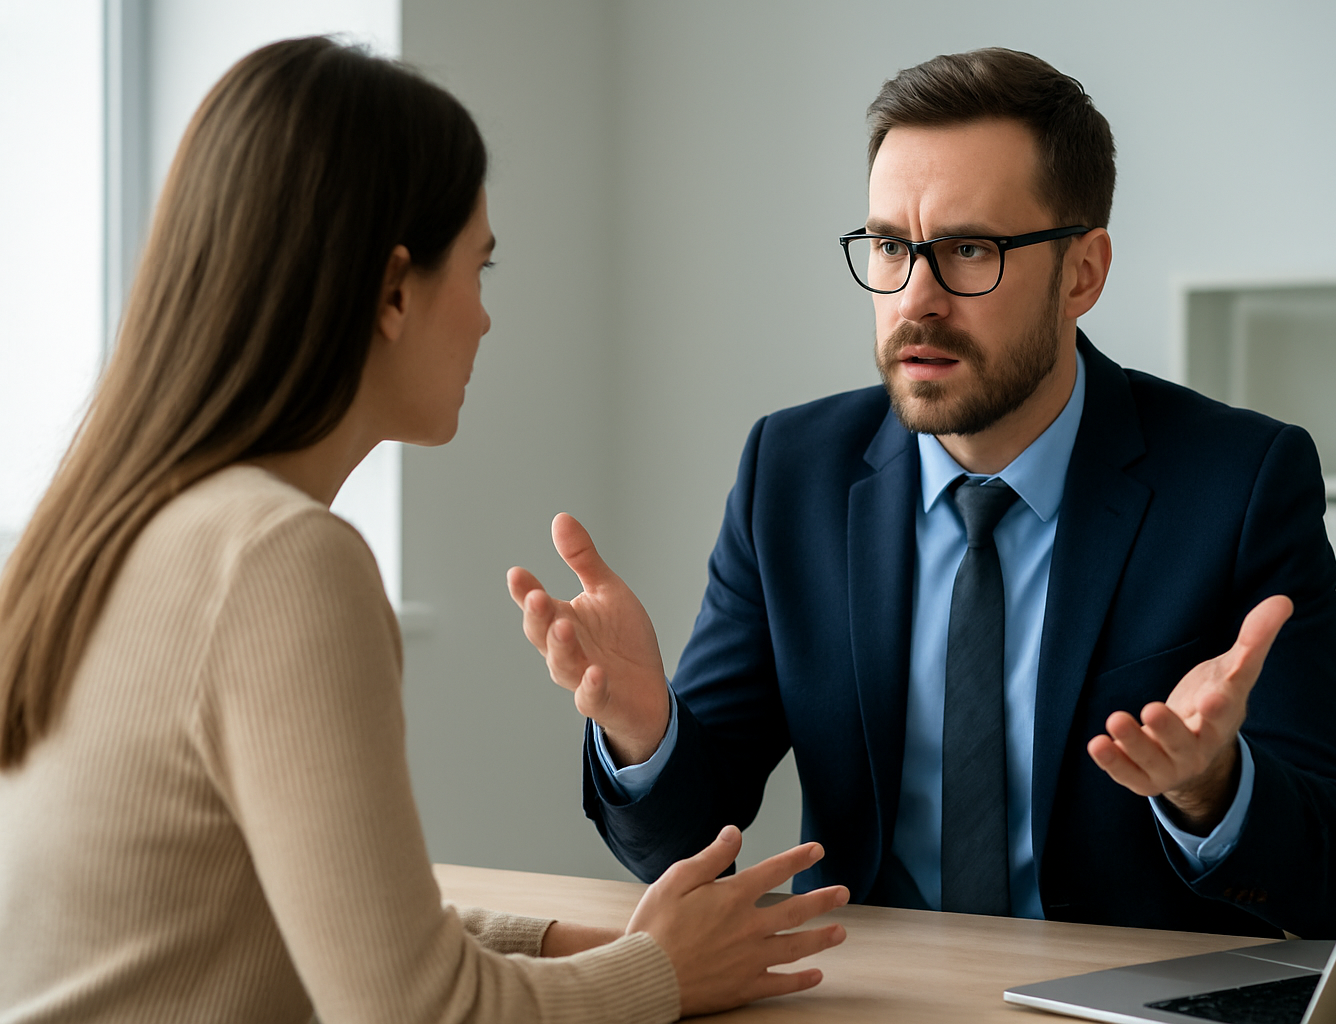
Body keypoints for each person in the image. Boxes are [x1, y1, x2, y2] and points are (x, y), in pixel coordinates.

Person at [0, 37, 848, 1024]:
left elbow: (334, 926)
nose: (485, 320)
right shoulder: (280, 559)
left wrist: (597, 948)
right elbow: (419, 1011)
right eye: (479, 268)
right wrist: (660, 973)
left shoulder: (109, 529)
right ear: (395, 292)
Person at [510, 48, 1336, 940]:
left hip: (1122, 995)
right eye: (891, 246)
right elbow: (688, 843)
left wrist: (1212, 787)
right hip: (873, 990)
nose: (915, 299)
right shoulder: (793, 473)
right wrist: (645, 730)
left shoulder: (1239, 482)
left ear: (1082, 273)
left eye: (971, 250)